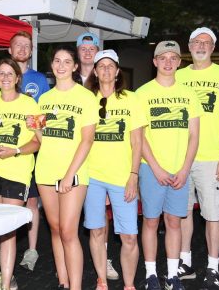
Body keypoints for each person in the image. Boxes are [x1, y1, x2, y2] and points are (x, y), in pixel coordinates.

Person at [176, 27, 219, 289]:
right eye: (195, 42)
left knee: (213, 215)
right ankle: (185, 262)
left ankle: (213, 267)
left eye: (206, 42)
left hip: (212, 157)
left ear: (213, 48)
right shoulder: (176, 76)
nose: (200, 46)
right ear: (189, 47)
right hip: (179, 158)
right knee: (182, 213)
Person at [136, 41, 201, 290]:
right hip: (151, 169)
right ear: (154, 62)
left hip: (179, 171)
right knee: (151, 222)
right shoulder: (142, 93)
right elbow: (138, 137)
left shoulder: (189, 94)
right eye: (163, 57)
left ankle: (172, 276)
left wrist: (184, 169)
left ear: (179, 62)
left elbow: (194, 135)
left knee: (174, 222)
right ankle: (151, 273)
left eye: (173, 58)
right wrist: (156, 168)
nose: (168, 62)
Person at [33, 45, 98, 290]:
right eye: (57, 61)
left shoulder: (85, 97)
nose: (61, 66)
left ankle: (76, 286)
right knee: (56, 228)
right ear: (52, 66)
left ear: (75, 66)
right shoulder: (44, 99)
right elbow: (41, 137)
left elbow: (88, 139)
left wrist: (70, 175)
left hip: (73, 173)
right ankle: (62, 280)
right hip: (46, 171)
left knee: (70, 232)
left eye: (67, 61)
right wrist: (34, 126)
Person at [83, 49, 146, 290]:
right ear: (95, 72)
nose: (106, 70)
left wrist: (134, 176)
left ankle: (129, 285)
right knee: (97, 232)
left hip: (123, 177)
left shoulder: (131, 99)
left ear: (118, 71)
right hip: (92, 176)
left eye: (111, 66)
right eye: (102, 66)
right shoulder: (87, 99)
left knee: (129, 235)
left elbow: (137, 142)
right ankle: (101, 280)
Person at [0, 30, 50, 271]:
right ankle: (1, 246)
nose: (22, 50)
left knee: (31, 202)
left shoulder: (40, 80)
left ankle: (32, 250)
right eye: (18, 45)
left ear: (31, 51)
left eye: (27, 46)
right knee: (0, 206)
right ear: (9, 50)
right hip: (0, 157)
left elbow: (40, 120)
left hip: (30, 152)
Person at [0, 58, 40, 290]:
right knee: (0, 228)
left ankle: (5, 284)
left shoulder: (31, 104)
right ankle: (8, 278)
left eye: (9, 73)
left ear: (17, 78)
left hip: (17, 172)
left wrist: (14, 151)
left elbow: (38, 142)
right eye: (1, 74)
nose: (5, 77)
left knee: (8, 227)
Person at [77, 32, 120, 281]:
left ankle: (104, 260)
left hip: (106, 165)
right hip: (78, 163)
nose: (87, 51)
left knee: (102, 216)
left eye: (91, 48)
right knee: (78, 220)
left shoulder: (114, 86)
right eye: (83, 48)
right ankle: (77, 262)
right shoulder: (67, 76)